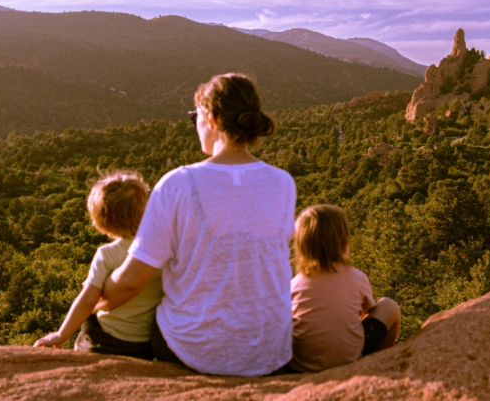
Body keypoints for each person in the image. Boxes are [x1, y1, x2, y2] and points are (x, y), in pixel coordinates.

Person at [99, 73, 295, 376]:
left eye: (195, 117)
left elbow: (131, 281)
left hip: (192, 348)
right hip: (271, 349)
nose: (195, 125)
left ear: (212, 118)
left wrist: (95, 300)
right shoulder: (283, 182)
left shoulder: (178, 183)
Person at [34, 171, 163, 360]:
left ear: (101, 224)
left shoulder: (107, 254)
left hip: (105, 340)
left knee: (90, 319)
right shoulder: (162, 249)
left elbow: (88, 300)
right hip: (144, 344)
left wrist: (61, 334)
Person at [287, 204, 401, 373]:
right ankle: (378, 362)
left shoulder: (295, 284)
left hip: (300, 368)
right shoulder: (357, 277)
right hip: (349, 362)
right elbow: (366, 314)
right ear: (344, 243)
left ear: (302, 248)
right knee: (389, 306)